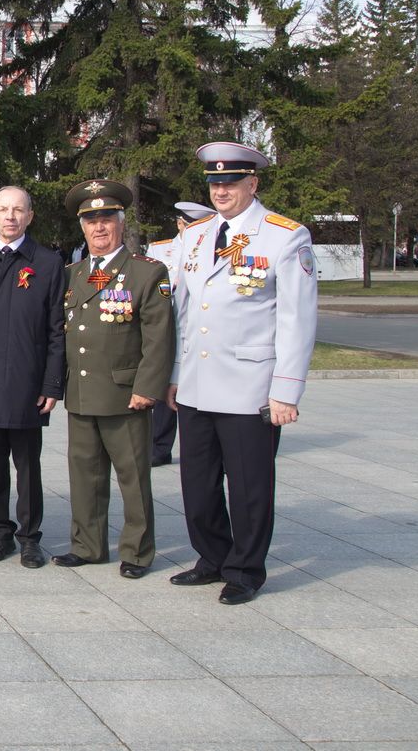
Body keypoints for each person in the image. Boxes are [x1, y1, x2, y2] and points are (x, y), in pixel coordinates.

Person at [167, 142, 317, 605]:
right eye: (214, 183)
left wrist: (286, 391)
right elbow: (183, 312)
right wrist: (174, 374)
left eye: (231, 182)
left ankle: (246, 569)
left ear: (253, 183)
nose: (221, 191)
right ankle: (212, 556)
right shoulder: (194, 236)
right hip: (195, 383)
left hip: (250, 386)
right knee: (197, 482)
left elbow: (297, 319)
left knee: (250, 486)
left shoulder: (284, 237)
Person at [53, 180, 174, 580]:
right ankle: (87, 546)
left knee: (133, 478)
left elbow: (158, 338)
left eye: (106, 219)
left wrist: (147, 388)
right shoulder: (72, 275)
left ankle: (137, 552)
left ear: (121, 224)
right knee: (84, 475)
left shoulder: (146, 273)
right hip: (83, 392)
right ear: (82, 227)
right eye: (91, 221)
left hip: (125, 395)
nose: (99, 228)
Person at [0, 185, 65, 569]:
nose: (11, 217)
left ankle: (29, 537)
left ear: (30, 216)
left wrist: (52, 384)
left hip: (28, 383)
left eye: (18, 210)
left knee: (28, 466)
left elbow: (57, 329)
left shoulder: (47, 262)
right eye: (3, 210)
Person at [146, 201, 213, 466]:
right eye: (189, 225)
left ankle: (199, 443)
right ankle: (159, 445)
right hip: (166, 328)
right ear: (179, 224)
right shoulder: (160, 250)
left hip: (197, 329)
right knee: (164, 386)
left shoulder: (213, 251)